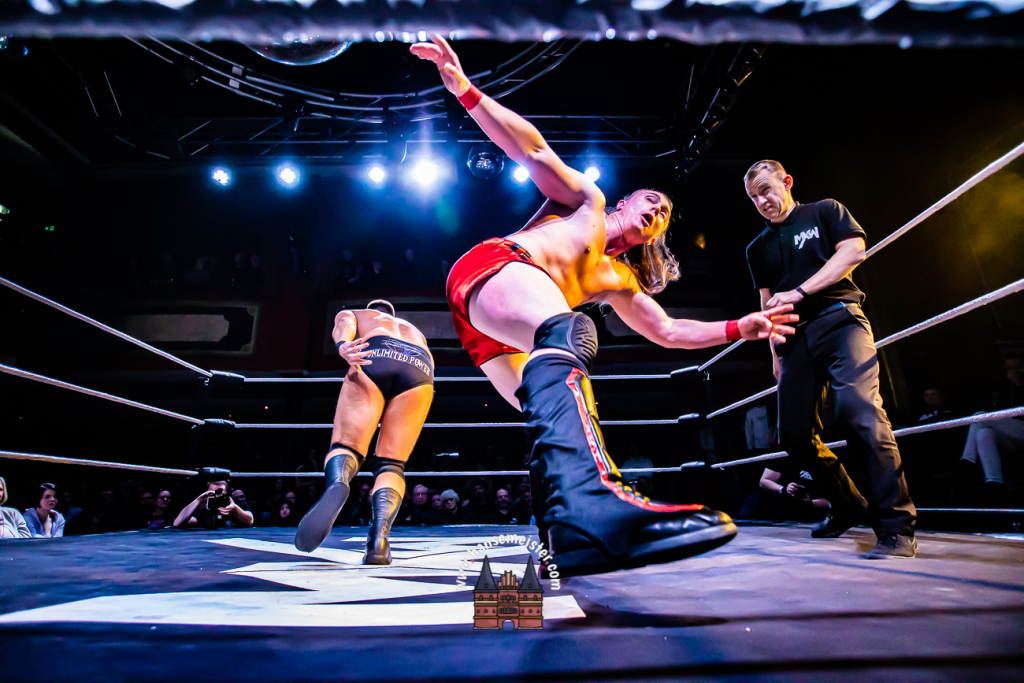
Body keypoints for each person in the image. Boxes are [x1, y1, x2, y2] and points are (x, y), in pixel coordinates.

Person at [411, 35, 797, 576]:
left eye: (664, 215)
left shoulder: (617, 279)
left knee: (555, 407)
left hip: (495, 328)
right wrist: (465, 90)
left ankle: (559, 532)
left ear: (655, 236)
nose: (658, 210)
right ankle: (595, 508)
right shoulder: (587, 202)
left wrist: (738, 327)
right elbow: (532, 150)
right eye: (652, 200)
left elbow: (667, 332)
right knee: (572, 333)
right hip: (495, 268)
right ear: (626, 201)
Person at [743, 159, 917, 558]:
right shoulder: (757, 248)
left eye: (766, 190)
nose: (762, 201)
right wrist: (775, 355)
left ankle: (896, 527)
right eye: (753, 197)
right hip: (792, 341)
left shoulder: (824, 211)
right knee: (793, 435)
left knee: (860, 411)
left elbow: (854, 250)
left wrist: (801, 292)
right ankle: (848, 504)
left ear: (787, 182)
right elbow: (767, 305)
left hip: (840, 321)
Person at [295, 300, 435, 566]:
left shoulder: (361, 315)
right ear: (392, 314)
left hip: (376, 353)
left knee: (347, 446)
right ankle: (379, 539)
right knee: (392, 464)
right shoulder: (413, 330)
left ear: (373, 310)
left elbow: (344, 323)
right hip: (420, 366)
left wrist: (343, 345)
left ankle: (339, 481)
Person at [956, 353, 1024, 500]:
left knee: (979, 415)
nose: (1013, 371)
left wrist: (1019, 384)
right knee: (984, 433)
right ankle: (995, 484)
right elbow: (999, 412)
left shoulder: (1019, 385)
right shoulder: (1006, 388)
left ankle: (967, 463)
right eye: (1009, 368)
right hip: (1012, 434)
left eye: (1017, 367)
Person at [173, 471, 254, 529]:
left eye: (221, 494)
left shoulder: (238, 504)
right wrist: (198, 500)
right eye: (213, 494)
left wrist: (235, 509)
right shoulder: (207, 511)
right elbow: (177, 523)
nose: (218, 497)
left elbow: (250, 522)